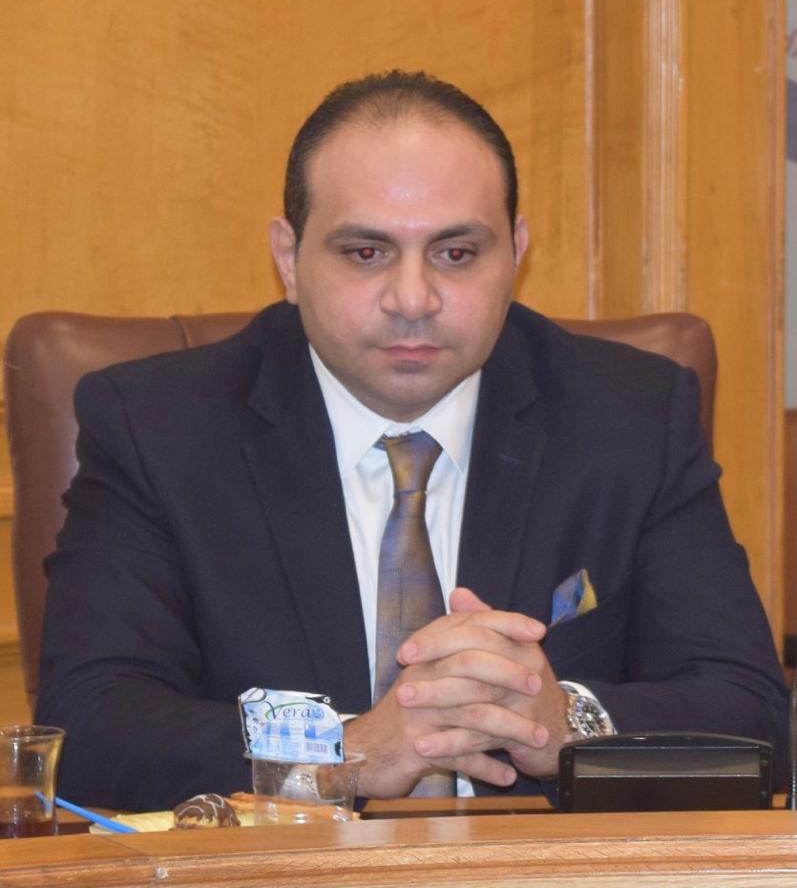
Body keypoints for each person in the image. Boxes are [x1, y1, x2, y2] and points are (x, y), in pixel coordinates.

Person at [36, 71, 788, 811]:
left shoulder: (629, 417)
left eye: (455, 253)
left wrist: (565, 724)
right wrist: (342, 753)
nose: (412, 299)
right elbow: (90, 727)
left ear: (516, 252)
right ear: (289, 259)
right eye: (365, 253)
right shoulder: (159, 428)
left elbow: (752, 716)